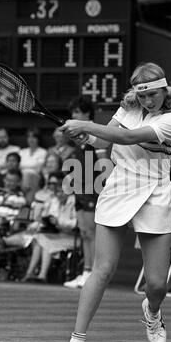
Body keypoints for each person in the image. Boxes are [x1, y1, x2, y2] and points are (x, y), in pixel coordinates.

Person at [59, 62, 171, 342]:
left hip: (155, 192)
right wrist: (86, 138)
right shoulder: (126, 109)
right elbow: (105, 141)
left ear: (164, 91)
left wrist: (86, 125)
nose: (148, 101)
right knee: (102, 271)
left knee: (157, 285)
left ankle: (152, 312)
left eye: (153, 95)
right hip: (119, 187)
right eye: (142, 97)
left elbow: (128, 139)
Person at [62, 97, 105, 290]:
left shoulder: (95, 137)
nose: (74, 117)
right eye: (73, 113)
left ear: (88, 115)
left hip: (92, 191)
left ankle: (94, 273)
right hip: (79, 191)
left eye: (78, 113)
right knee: (85, 233)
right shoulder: (79, 140)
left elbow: (103, 164)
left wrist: (104, 190)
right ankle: (86, 272)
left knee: (91, 233)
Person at [21, 173, 76, 282]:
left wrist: (58, 222)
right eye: (57, 192)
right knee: (37, 239)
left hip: (73, 238)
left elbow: (75, 224)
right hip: (60, 234)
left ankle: (42, 275)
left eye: (62, 192)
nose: (59, 195)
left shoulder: (74, 202)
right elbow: (48, 215)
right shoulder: (56, 201)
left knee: (44, 241)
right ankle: (30, 273)